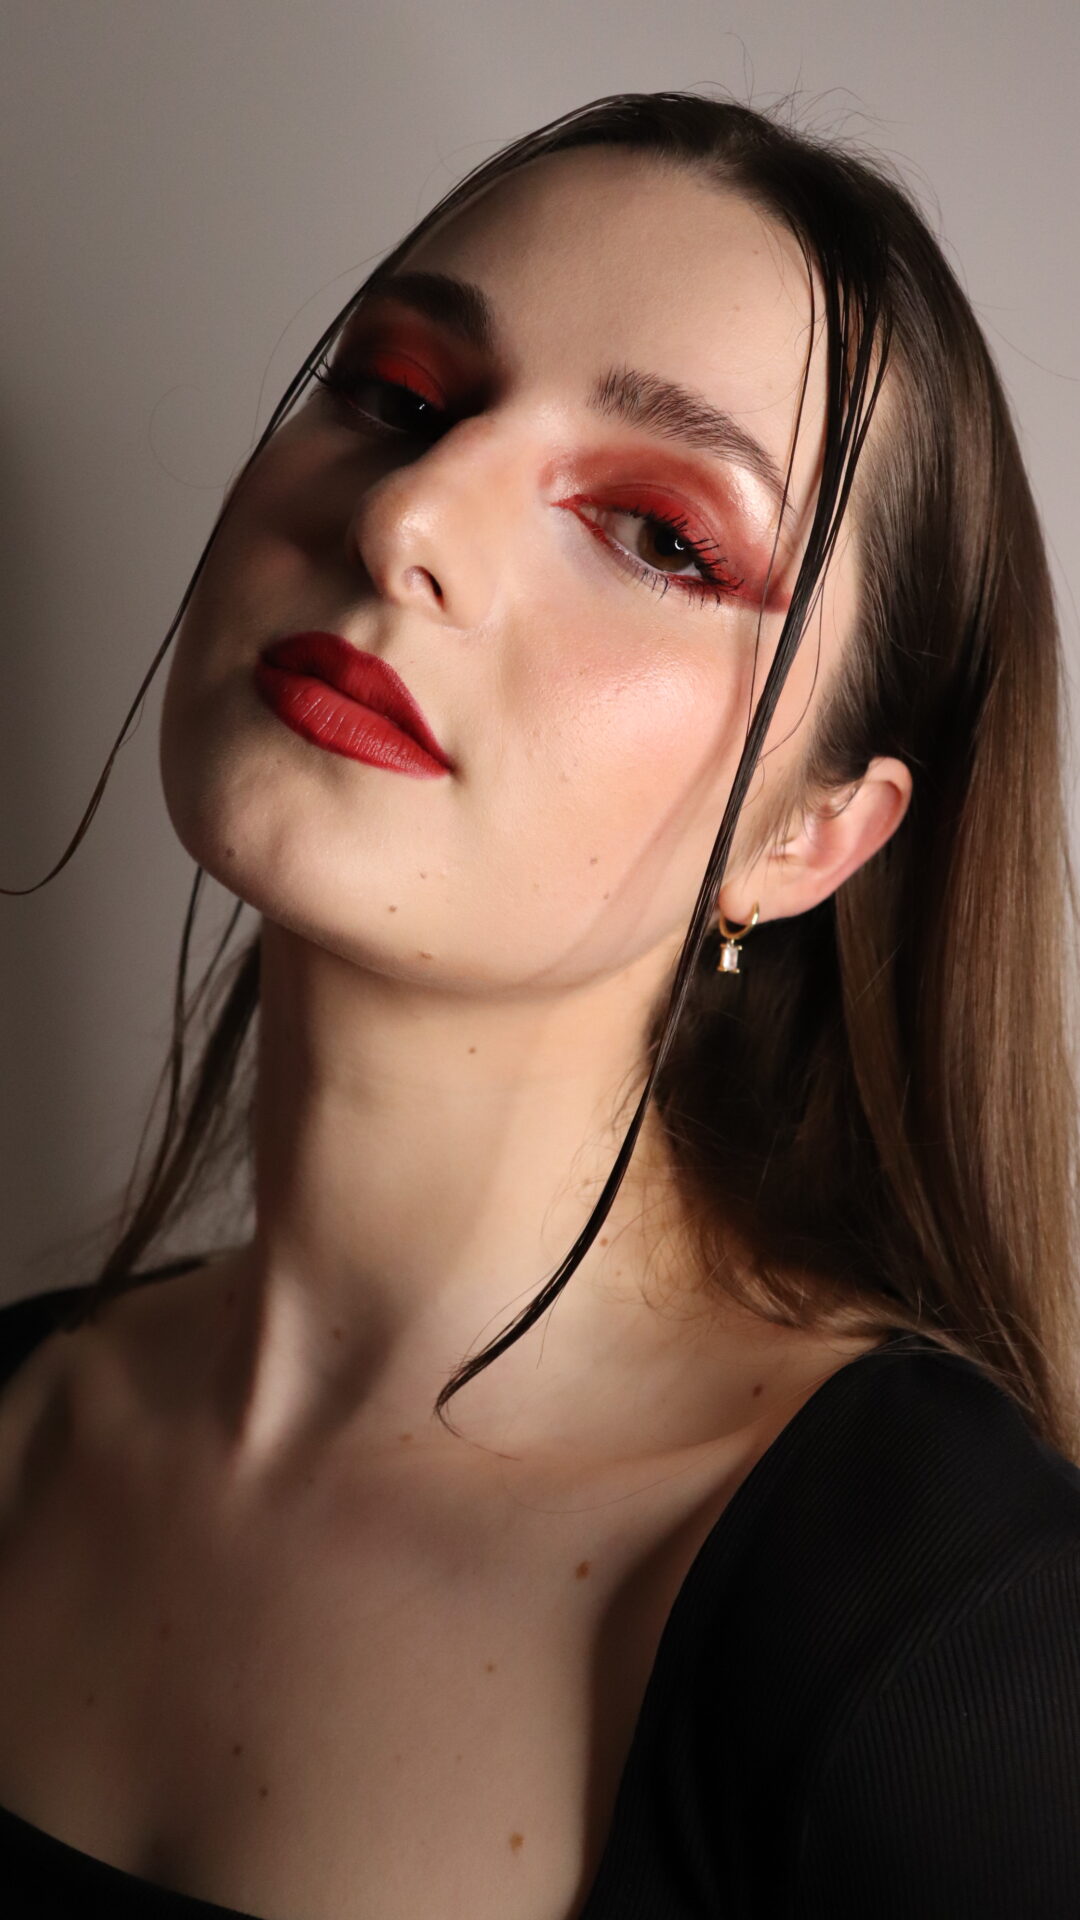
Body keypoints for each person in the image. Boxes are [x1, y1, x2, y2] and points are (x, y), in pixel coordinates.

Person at [1, 87, 1079, 1918]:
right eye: (395, 395)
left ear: (810, 838)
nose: (406, 516)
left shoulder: (962, 1654)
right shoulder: (24, 1421)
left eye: (659, 534)